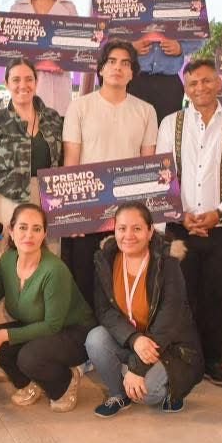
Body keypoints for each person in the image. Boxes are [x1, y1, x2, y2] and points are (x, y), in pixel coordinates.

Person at [156, 59, 222, 388]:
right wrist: (182, 213)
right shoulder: (171, 123)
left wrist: (219, 213)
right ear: (186, 88)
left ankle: (212, 361)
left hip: (221, 229)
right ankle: (181, 358)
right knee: (178, 298)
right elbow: (164, 173)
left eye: (206, 81)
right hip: (179, 228)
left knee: (216, 298)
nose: (200, 88)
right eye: (193, 83)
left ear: (219, 83)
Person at [61, 40, 158, 306]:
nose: (118, 68)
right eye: (111, 61)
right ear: (101, 69)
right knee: (85, 286)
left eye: (125, 63)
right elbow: (71, 162)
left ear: (132, 72)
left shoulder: (146, 111)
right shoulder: (79, 107)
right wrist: (73, 215)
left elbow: (147, 165)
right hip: (88, 213)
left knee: (122, 292)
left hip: (127, 221)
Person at [87, 202, 203, 416]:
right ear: (114, 230)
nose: (128, 235)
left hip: (168, 346)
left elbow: (168, 321)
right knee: (95, 339)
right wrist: (134, 339)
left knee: (147, 394)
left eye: (137, 228)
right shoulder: (105, 259)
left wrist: (138, 369)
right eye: (122, 228)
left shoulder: (167, 262)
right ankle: (119, 395)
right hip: (134, 340)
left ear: (150, 232)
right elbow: (105, 312)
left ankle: (171, 391)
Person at [0, 203, 94, 412]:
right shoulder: (7, 260)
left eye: (36, 229)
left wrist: (5, 334)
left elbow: (52, 325)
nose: (29, 235)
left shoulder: (54, 270)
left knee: (29, 356)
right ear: (11, 231)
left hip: (75, 333)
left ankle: (65, 383)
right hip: (41, 327)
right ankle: (29, 385)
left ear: (44, 234)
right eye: (23, 227)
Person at [0, 58, 65, 249]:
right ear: (6, 83)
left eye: (29, 79)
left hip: (48, 202)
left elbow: (62, 163)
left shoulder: (53, 118)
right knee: (5, 260)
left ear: (36, 82)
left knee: (48, 258)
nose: (23, 85)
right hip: (6, 202)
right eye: (16, 80)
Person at [122, 0, 202, 123]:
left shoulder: (183, 2)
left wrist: (180, 47)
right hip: (131, 80)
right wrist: (128, 48)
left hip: (169, 84)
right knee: (130, 133)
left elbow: (200, 38)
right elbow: (104, 39)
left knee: (166, 135)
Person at [9, 0, 79, 115]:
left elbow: (76, 48)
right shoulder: (18, 8)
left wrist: (66, 62)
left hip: (58, 83)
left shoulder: (68, 8)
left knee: (56, 123)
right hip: (26, 82)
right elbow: (10, 49)